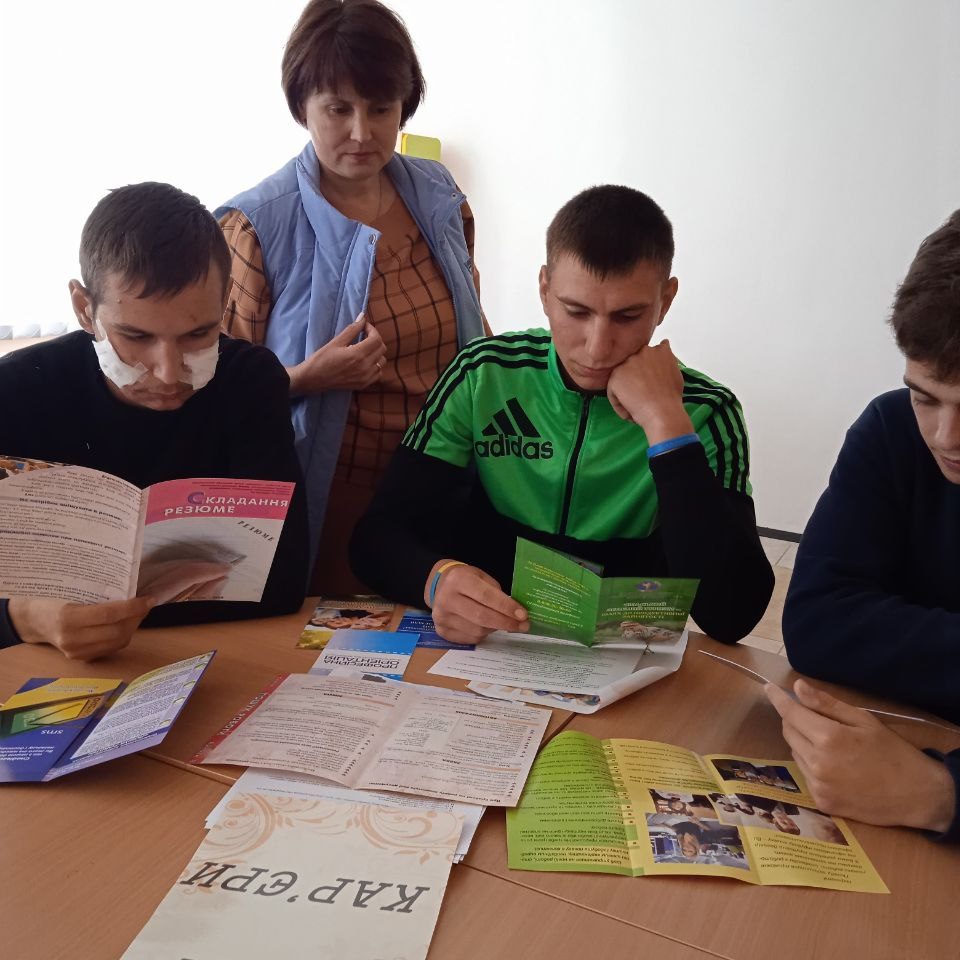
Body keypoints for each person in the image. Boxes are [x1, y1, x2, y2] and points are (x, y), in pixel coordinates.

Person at [350, 185, 774, 644]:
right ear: (545, 290)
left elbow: (733, 614)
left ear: (665, 301)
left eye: (628, 316)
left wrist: (666, 424)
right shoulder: (483, 374)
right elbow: (375, 539)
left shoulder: (707, 411)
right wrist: (436, 580)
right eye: (577, 312)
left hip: (622, 659)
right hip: (488, 645)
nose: (597, 348)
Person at [217, 0, 486, 593]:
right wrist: (307, 378)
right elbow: (216, 391)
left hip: (449, 483)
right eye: (338, 109)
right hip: (334, 494)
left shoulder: (438, 194)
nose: (362, 133)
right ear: (302, 107)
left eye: (381, 108)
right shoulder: (256, 226)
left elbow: (474, 328)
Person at [0, 183, 308, 660]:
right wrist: (23, 617)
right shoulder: (18, 391)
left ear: (224, 301)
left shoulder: (249, 382)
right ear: (84, 309)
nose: (168, 372)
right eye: (136, 337)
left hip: (208, 659)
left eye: (198, 334)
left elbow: (283, 581)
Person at [772, 209, 960, 841]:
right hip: (887, 750)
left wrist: (941, 795)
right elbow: (817, 624)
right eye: (925, 396)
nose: (946, 437)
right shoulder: (889, 429)